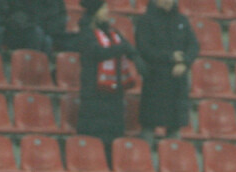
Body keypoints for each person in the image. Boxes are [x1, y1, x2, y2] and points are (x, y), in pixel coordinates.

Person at [76, 0, 142, 163]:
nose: (106, 12)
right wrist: (122, 49)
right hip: (94, 93)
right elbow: (97, 52)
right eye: (103, 9)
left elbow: (127, 45)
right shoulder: (86, 32)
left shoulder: (112, 31)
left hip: (114, 94)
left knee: (112, 135)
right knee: (95, 135)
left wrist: (135, 56)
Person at [134, 0, 199, 142]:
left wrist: (185, 62)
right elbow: (144, 49)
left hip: (178, 83)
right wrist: (170, 57)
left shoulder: (182, 20)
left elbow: (193, 46)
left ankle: (173, 160)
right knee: (149, 128)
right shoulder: (146, 20)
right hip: (155, 80)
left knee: (175, 129)